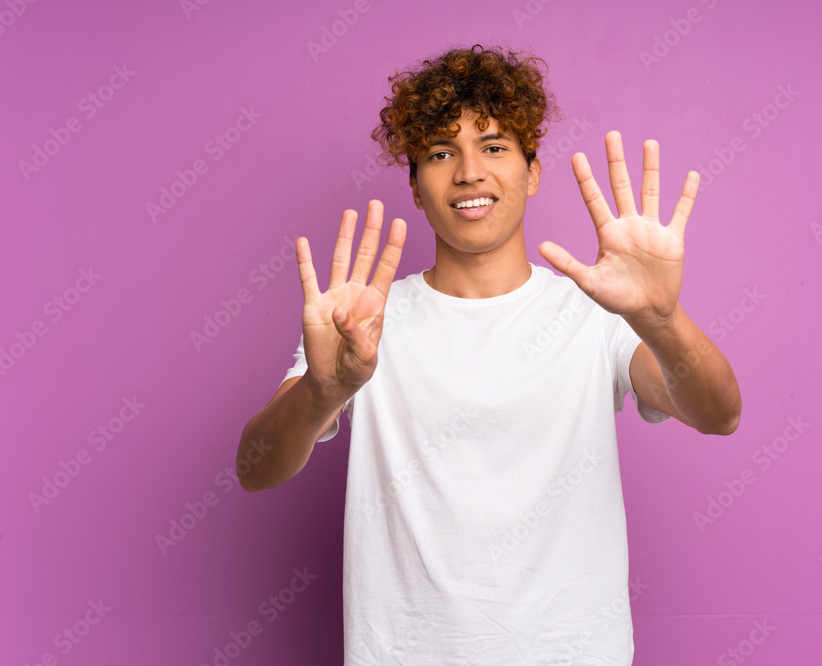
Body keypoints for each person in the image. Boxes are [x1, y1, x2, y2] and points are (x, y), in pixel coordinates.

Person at [237, 44, 740, 665]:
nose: (469, 172)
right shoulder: (362, 321)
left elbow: (719, 414)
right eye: (440, 153)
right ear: (416, 188)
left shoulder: (596, 313)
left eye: (494, 146)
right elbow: (255, 470)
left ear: (533, 172)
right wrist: (324, 390)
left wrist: (660, 320)